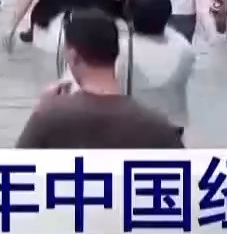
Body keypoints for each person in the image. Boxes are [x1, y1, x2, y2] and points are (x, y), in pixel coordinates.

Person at [16, 9, 184, 148]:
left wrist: (40, 109)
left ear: (74, 56)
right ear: (117, 53)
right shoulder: (156, 126)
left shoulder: (49, 119)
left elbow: (17, 168)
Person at [119, 0, 196, 136]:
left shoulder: (122, 49)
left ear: (130, 16)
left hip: (134, 125)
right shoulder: (184, 48)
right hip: (173, 124)